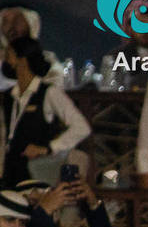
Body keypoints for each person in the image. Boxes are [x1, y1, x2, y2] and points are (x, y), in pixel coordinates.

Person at [1, 35, 90, 187]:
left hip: (36, 175)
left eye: (9, 55)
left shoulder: (49, 92)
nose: (5, 60)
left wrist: (49, 148)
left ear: (22, 60)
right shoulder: (9, 96)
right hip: (10, 174)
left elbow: (82, 127)